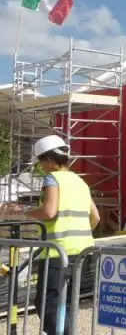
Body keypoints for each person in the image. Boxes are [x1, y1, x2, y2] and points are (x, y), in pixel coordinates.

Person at [8, 135, 100, 335]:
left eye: (40, 162)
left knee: (47, 303)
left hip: (58, 252)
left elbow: (49, 212)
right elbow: (96, 218)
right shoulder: (80, 182)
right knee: (66, 302)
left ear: (49, 160)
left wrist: (22, 211)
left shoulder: (53, 178)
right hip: (82, 251)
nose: (41, 167)